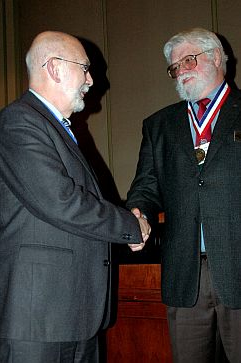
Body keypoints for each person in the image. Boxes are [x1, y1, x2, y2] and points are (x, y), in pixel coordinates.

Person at [0, 31, 150, 363]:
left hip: (73, 315)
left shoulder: (57, 127)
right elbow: (62, 201)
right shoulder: (19, 121)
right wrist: (130, 225)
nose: (91, 79)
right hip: (37, 321)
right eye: (84, 67)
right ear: (54, 68)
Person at [126, 27, 241, 363]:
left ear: (217, 57)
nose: (180, 71)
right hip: (185, 275)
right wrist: (138, 212)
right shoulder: (158, 125)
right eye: (175, 67)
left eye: (188, 60)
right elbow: (146, 187)